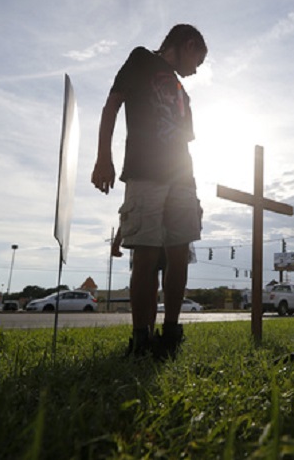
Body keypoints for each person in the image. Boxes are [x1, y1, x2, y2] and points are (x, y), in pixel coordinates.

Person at [92, 24, 207, 359]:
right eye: (197, 60)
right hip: (145, 173)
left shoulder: (182, 92)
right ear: (187, 44)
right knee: (144, 255)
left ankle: (170, 333)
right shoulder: (141, 60)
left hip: (183, 178)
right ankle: (141, 338)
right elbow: (112, 105)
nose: (196, 70)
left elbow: (184, 142)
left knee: (178, 254)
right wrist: (104, 158)